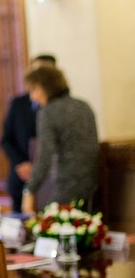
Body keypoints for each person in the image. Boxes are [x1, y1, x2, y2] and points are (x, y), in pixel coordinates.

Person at [21, 66, 99, 213]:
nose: (32, 97)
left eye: (33, 90)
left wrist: (29, 190)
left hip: (67, 187)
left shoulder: (48, 113)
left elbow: (44, 156)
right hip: (93, 187)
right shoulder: (83, 106)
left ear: (43, 88)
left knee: (46, 224)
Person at [0, 54, 57, 213]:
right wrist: (23, 165)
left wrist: (38, 168)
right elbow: (6, 140)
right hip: (21, 177)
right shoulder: (18, 103)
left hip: (52, 182)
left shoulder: (61, 106)